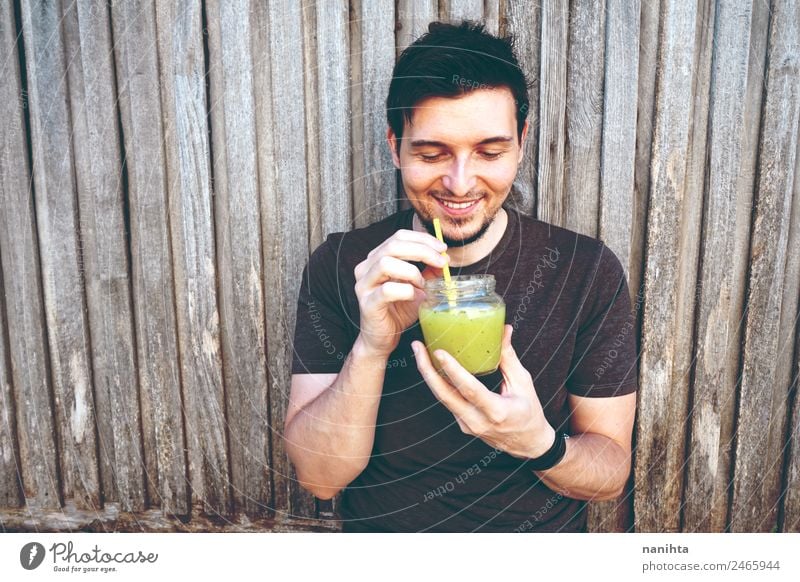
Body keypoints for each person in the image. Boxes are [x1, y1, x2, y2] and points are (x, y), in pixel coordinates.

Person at [284, 21, 637, 532]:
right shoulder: (345, 265)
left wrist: (538, 443)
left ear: (522, 141)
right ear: (394, 147)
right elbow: (320, 478)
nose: (460, 183)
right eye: (431, 154)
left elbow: (608, 478)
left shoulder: (583, 270)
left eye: (490, 152)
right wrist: (372, 346)